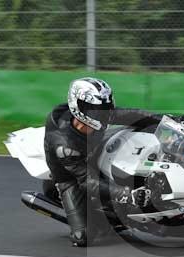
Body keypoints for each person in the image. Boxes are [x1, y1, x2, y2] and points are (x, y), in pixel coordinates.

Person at [44, 77, 163, 247]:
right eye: (95, 110)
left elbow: (129, 114)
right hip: (71, 176)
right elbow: (87, 181)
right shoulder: (64, 143)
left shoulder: (97, 116)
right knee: (83, 237)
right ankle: (93, 217)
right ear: (79, 106)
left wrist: (164, 119)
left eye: (104, 108)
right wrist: (126, 194)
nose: (103, 114)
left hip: (93, 152)